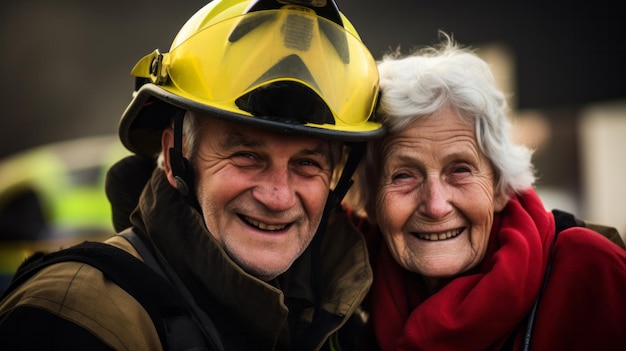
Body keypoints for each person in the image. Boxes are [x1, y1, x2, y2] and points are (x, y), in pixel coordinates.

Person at [0, 0, 385, 349]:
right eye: (246, 155)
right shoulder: (75, 317)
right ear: (174, 156)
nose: (279, 196)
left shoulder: (339, 325)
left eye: (307, 164)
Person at [345, 34, 626, 351]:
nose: (436, 206)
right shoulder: (342, 287)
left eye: (460, 170)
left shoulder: (587, 266)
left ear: (499, 187)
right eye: (403, 175)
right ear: (371, 200)